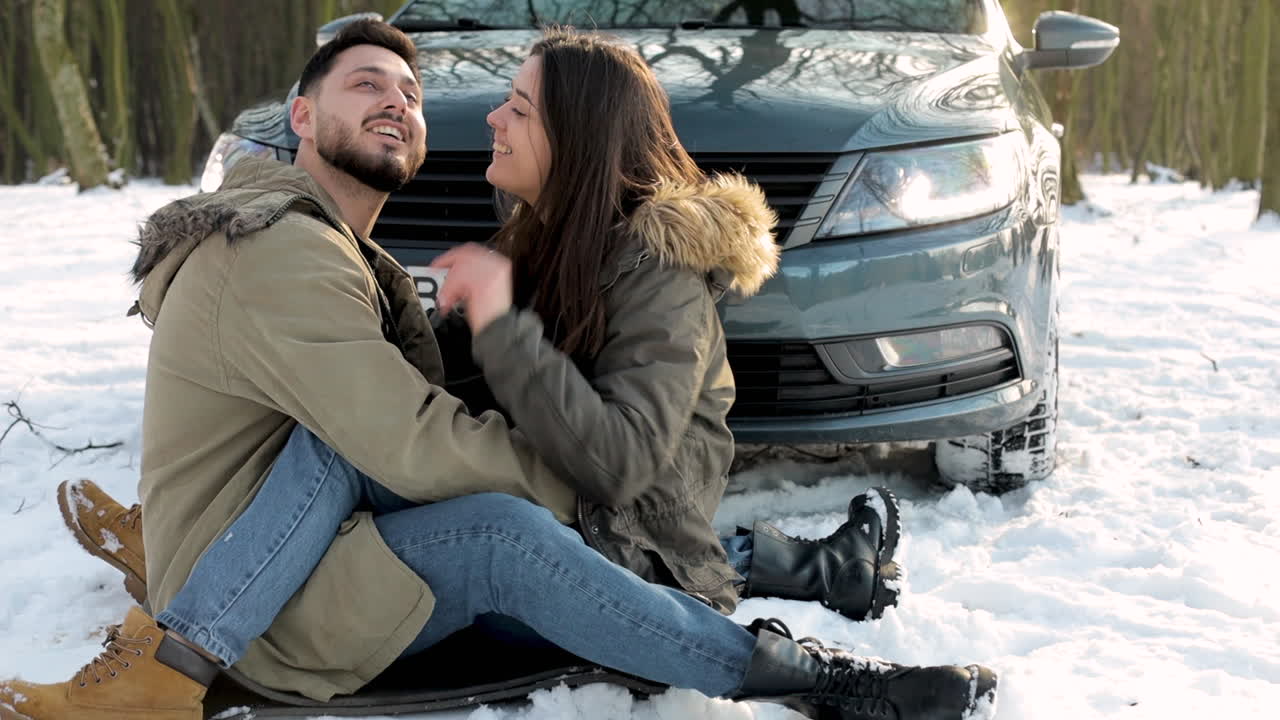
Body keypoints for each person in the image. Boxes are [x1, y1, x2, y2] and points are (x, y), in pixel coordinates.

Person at [1, 21, 997, 720]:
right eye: (369, 87)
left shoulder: (649, 267)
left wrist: (500, 323)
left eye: (515, 107)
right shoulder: (516, 243)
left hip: (636, 519)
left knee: (512, 529)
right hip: (601, 515)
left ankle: (811, 674)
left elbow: (612, 470)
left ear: (574, 136)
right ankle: (189, 606)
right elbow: (431, 421)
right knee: (381, 455)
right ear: (297, 119)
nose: (486, 119)